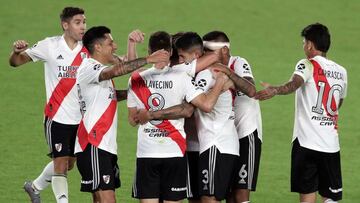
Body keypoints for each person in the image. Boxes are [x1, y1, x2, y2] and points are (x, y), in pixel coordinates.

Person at [127, 31, 228, 203]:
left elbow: (132, 120)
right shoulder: (182, 76)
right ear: (171, 52)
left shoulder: (136, 79)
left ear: (149, 51)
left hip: (147, 153)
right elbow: (206, 105)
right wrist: (220, 82)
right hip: (174, 152)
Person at [255, 23, 347, 203]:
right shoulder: (342, 71)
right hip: (330, 143)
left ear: (310, 45)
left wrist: (275, 90)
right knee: (331, 198)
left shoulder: (307, 63)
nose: (303, 46)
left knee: (307, 196)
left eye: (304, 43)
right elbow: (338, 103)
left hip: (306, 142)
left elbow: (294, 84)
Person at [75, 26, 168, 203]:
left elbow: (110, 95)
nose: (115, 47)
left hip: (104, 145)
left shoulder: (97, 72)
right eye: (110, 43)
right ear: (98, 47)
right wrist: (149, 59)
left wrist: (133, 94)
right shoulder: (90, 68)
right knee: (108, 199)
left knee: (100, 199)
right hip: (93, 143)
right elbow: (116, 70)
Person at [9, 7, 88, 203]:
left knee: (69, 163)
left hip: (80, 118)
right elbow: (16, 62)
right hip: (57, 116)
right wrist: (15, 52)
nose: (83, 26)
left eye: (84, 22)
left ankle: (34, 186)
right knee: (60, 164)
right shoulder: (50, 46)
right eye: (78, 22)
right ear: (65, 25)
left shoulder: (88, 49)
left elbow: (112, 62)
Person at [202, 31, 262, 203]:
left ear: (225, 51)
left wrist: (227, 72)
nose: (206, 55)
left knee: (240, 194)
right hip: (226, 137)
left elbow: (251, 89)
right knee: (226, 192)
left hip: (246, 133)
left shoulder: (239, 62)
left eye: (209, 51)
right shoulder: (208, 69)